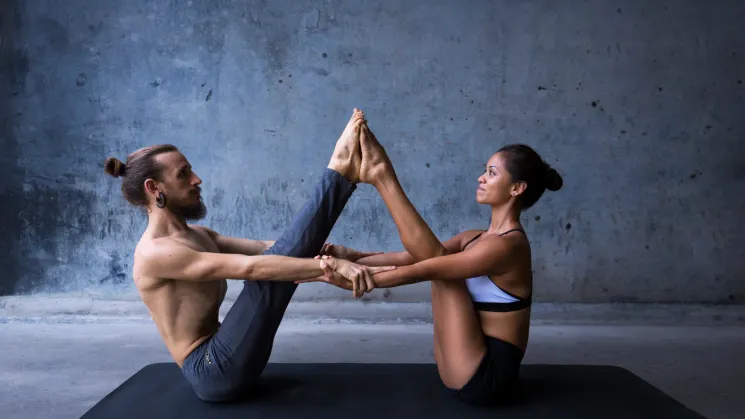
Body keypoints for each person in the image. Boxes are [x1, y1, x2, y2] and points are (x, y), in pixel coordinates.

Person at [103, 109, 394, 402]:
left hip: (231, 353)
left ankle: (344, 176)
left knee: (281, 261)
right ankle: (339, 171)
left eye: (191, 170)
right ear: (154, 188)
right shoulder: (156, 252)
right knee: (269, 275)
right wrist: (325, 266)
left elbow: (265, 248)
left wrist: (326, 251)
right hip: (213, 370)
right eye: (183, 174)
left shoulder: (198, 235)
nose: (197, 179)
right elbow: (253, 269)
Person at [305, 123, 563, 405]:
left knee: (441, 266)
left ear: (517, 187)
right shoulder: (475, 237)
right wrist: (351, 257)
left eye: (491, 173)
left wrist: (363, 278)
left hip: (486, 378)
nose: (481, 178)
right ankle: (382, 177)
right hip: (464, 359)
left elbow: (430, 268)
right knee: (437, 258)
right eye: (484, 170)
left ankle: (383, 177)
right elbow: (411, 257)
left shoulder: (508, 246)